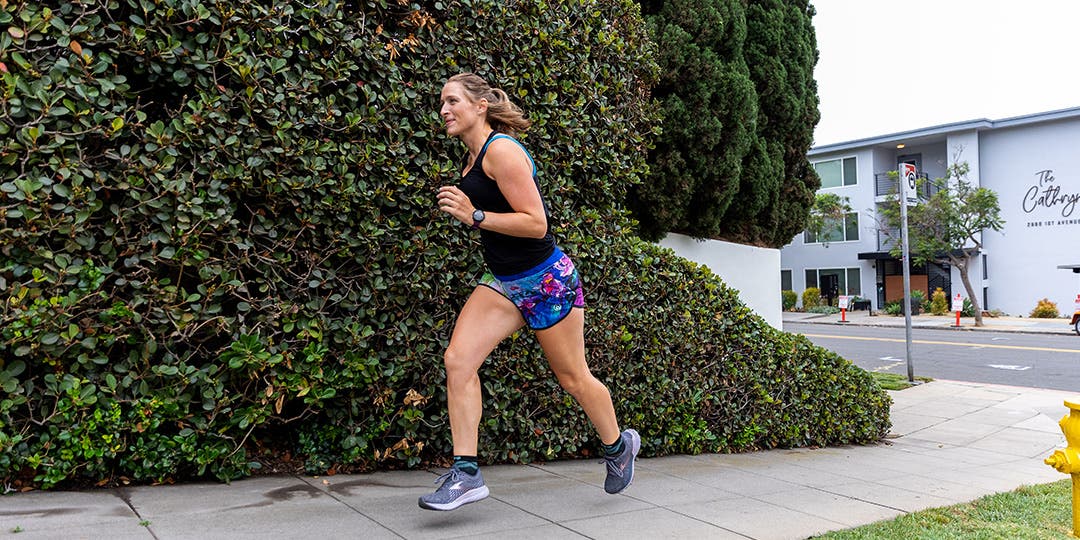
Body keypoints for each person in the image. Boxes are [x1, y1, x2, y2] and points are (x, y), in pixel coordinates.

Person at [418, 73, 639, 511]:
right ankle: (466, 474)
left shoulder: (501, 151)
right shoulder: (470, 159)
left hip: (546, 280)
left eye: (453, 100)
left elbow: (536, 222)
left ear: (480, 105)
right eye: (441, 102)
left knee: (573, 378)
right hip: (504, 282)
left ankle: (618, 447)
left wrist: (475, 215)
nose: (444, 109)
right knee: (458, 360)